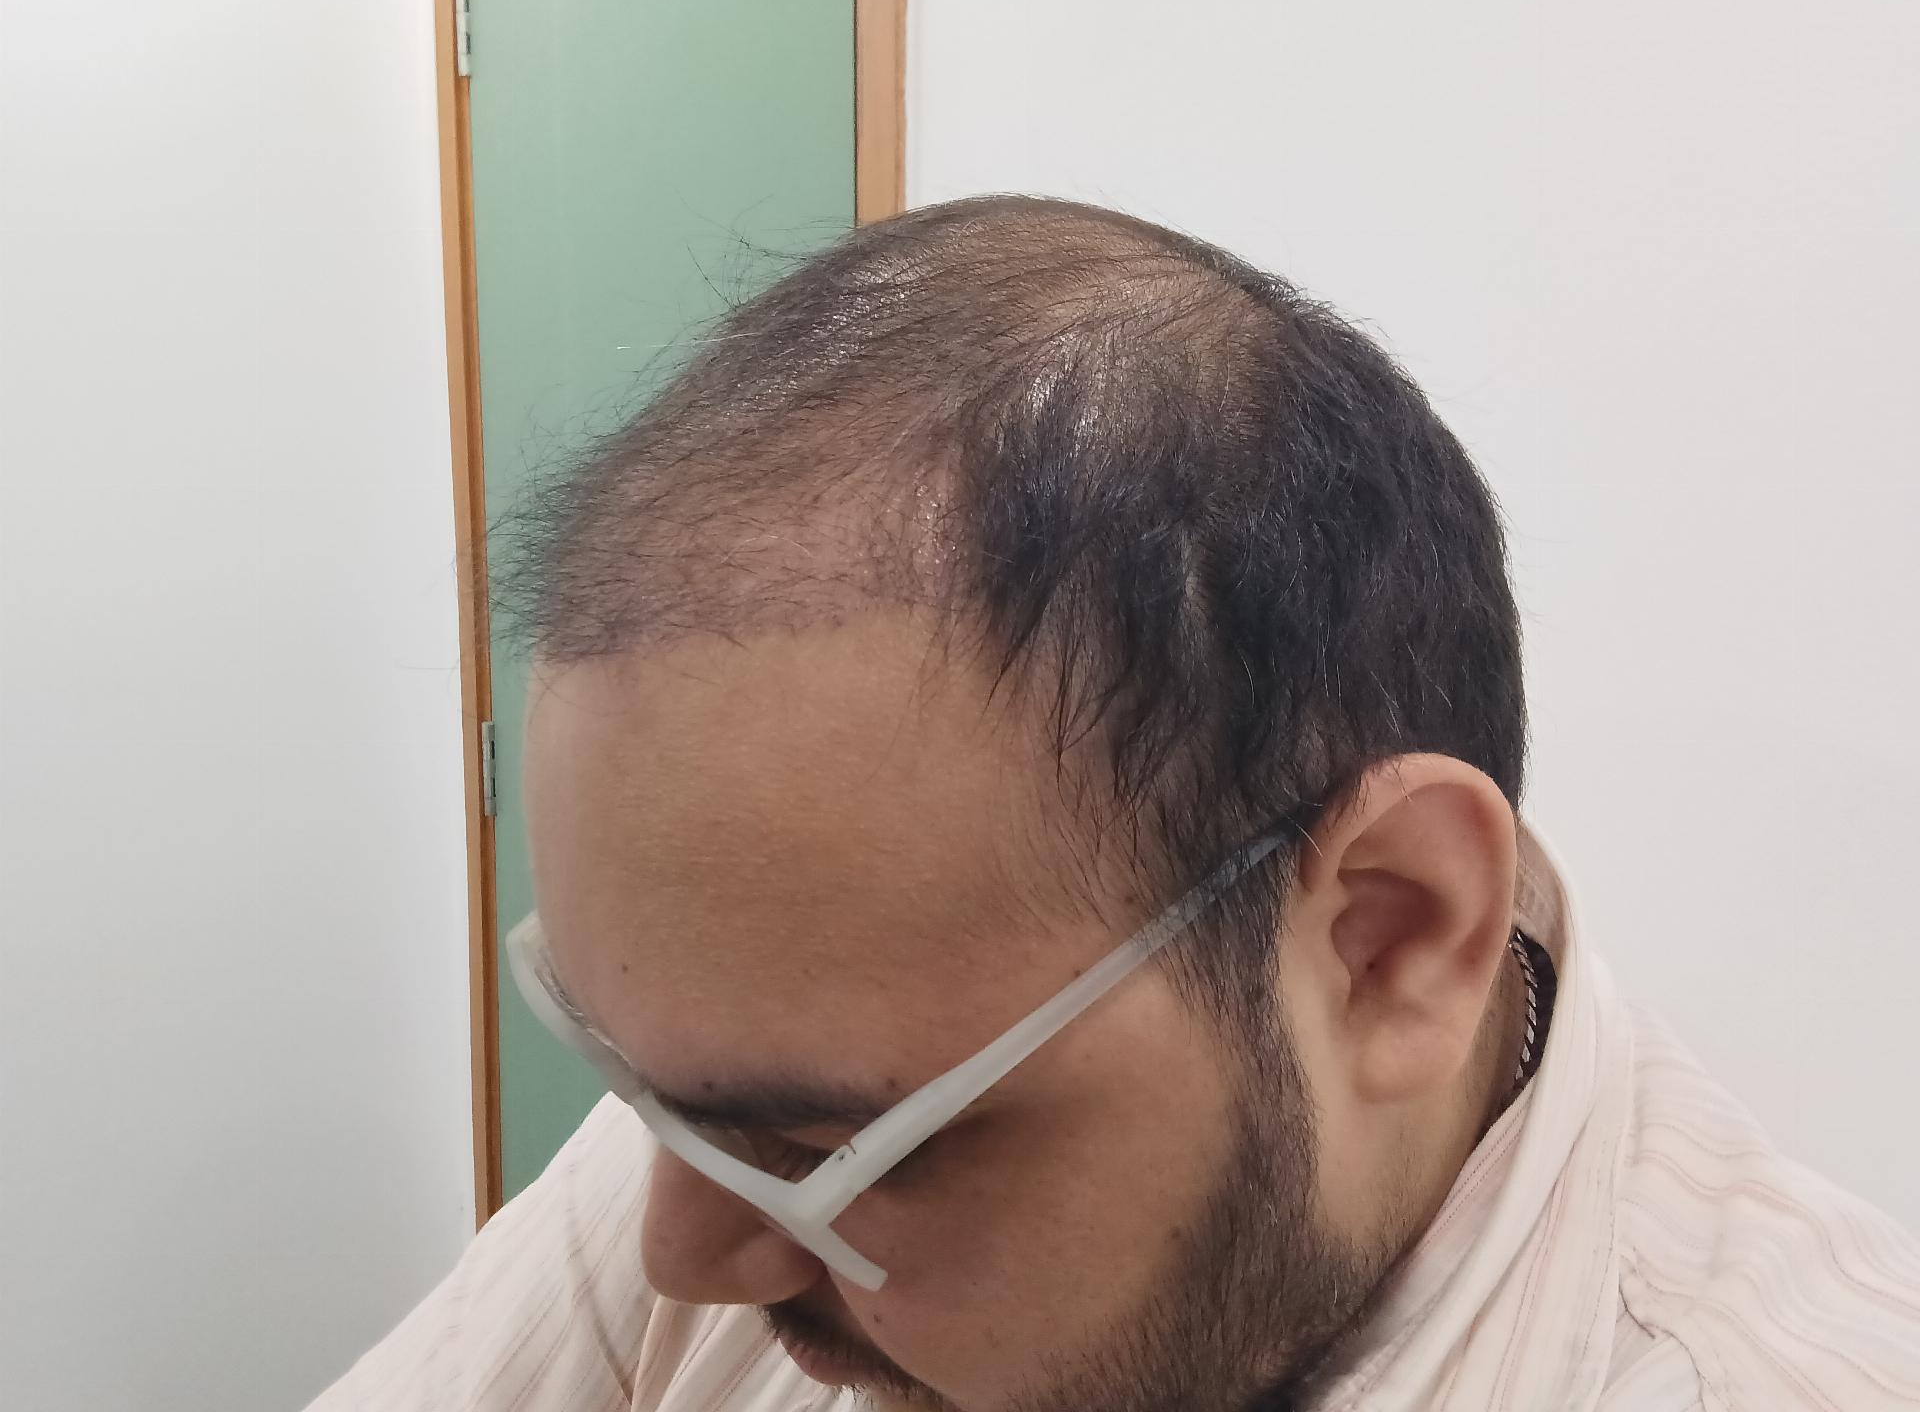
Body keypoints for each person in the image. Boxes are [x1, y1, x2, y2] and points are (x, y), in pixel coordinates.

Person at [311, 197, 1920, 1412]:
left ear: (1389, 940)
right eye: (645, 1092)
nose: (683, 1259)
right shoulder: (759, 1101)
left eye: (845, 1155)